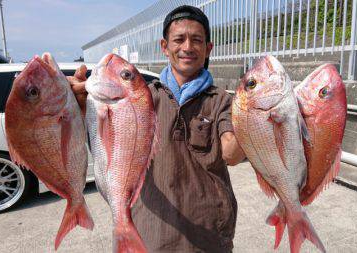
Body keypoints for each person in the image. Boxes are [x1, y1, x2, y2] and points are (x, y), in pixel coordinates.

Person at [68, 5, 245, 252]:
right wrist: (76, 105)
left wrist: (255, 115)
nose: (187, 47)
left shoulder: (222, 101)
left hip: (209, 234)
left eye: (196, 40)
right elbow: (104, 142)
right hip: (147, 233)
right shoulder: (142, 98)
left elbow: (232, 154)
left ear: (208, 48)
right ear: (164, 46)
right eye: (179, 39)